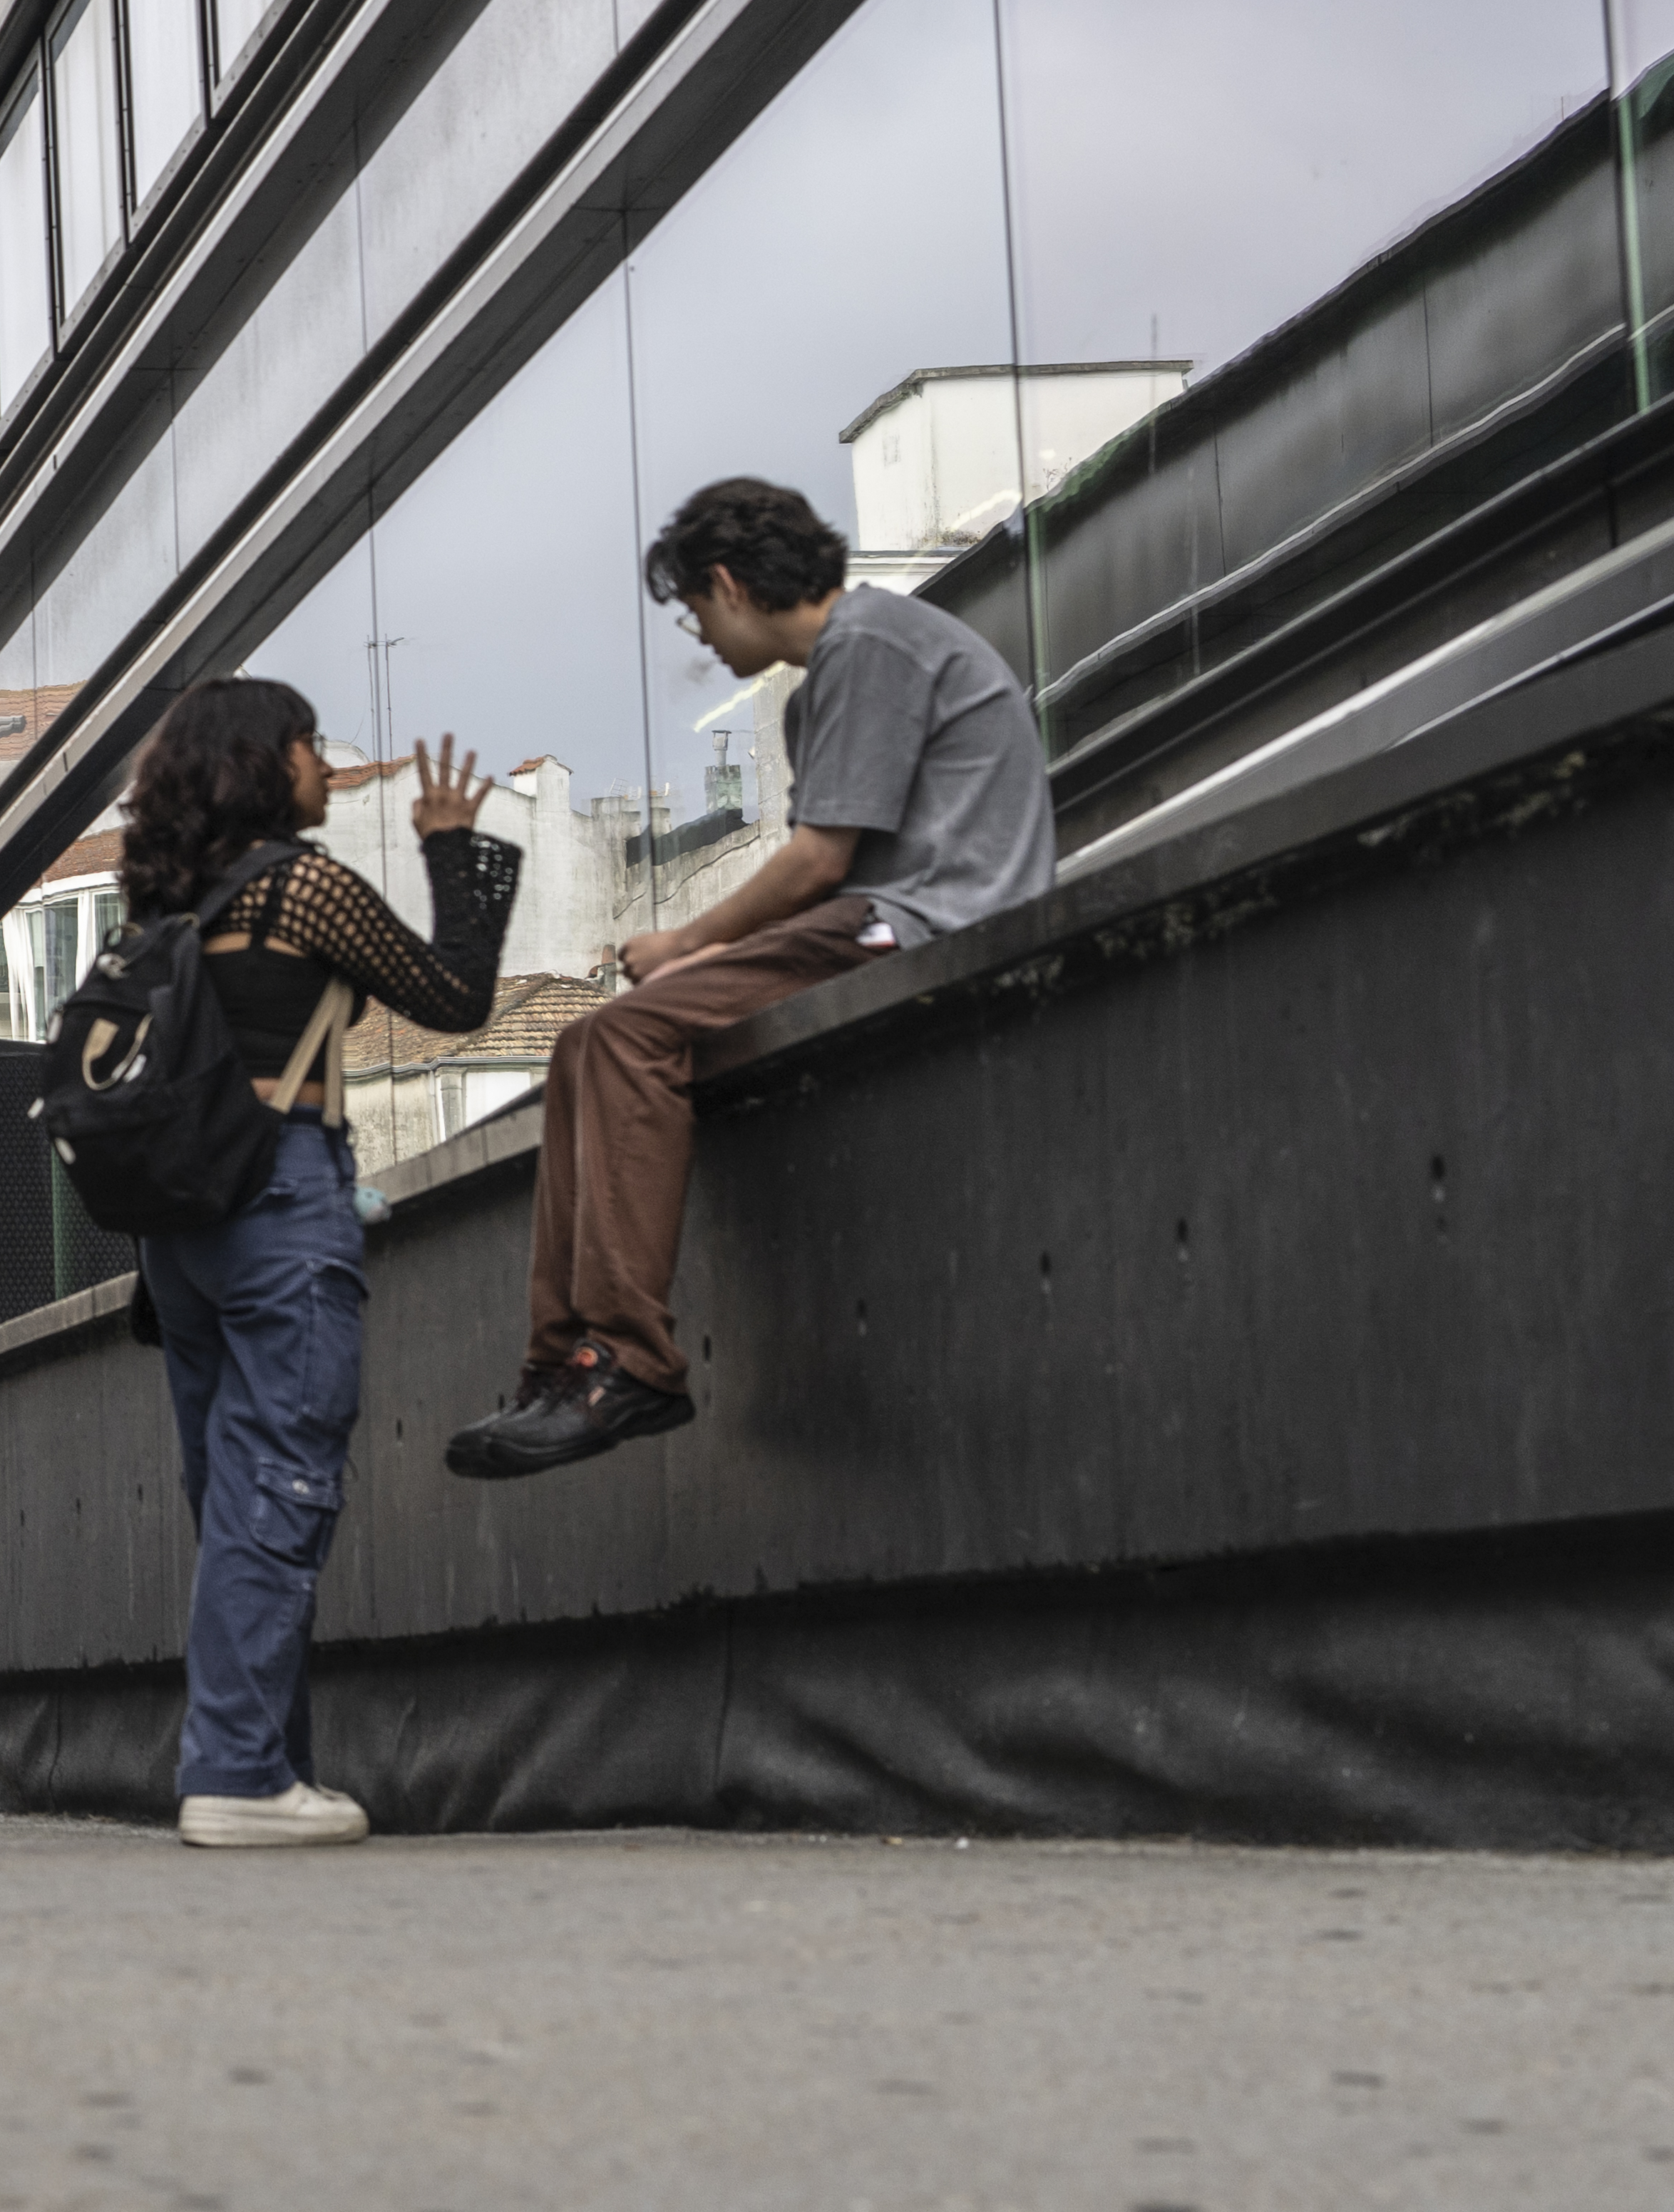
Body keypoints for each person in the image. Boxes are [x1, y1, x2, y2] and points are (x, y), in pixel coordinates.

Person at [449, 475, 1055, 1481]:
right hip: (877, 914)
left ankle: (628, 1360)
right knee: (584, 1042)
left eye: (693, 608)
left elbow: (819, 861)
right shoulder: (832, 676)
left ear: (728, 583)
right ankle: (558, 1366)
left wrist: (683, 942)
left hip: (927, 918)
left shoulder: (869, 643)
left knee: (623, 1032)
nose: (697, 634)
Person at [101, 681, 513, 1848]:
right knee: (278, 1482)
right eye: (307, 745)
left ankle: (270, 1768)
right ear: (260, 760)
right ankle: (237, 1773)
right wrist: (448, 847)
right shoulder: (298, 884)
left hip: (176, 1231)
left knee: (231, 1499)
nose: (324, 765)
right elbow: (453, 998)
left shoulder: (162, 896)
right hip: (277, 1195)